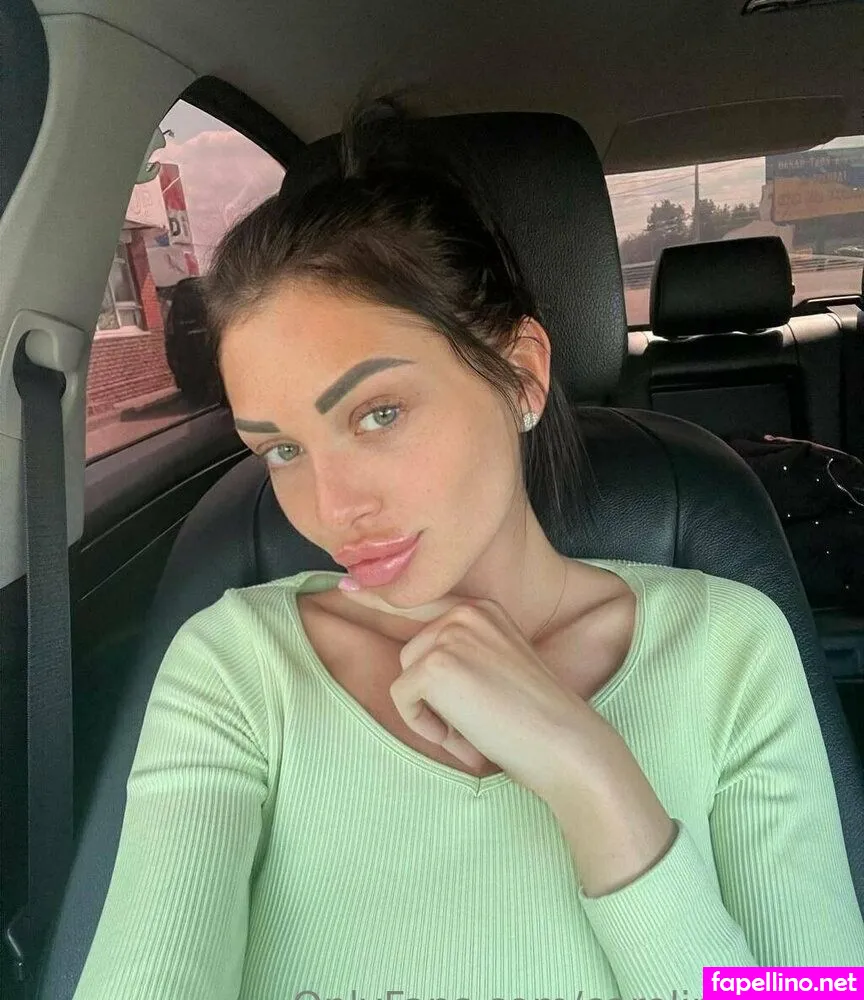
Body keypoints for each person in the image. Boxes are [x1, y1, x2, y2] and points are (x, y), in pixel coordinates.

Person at [72, 97, 864, 1000]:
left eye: (378, 413)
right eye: (282, 450)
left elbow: (814, 986)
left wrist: (593, 777)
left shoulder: (730, 648)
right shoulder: (235, 668)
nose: (332, 508)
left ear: (521, 375)